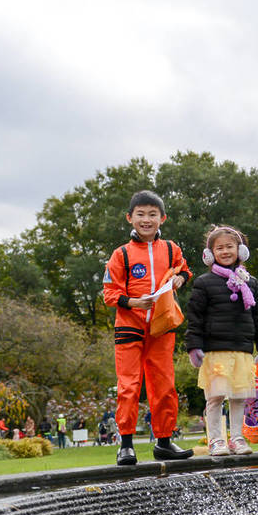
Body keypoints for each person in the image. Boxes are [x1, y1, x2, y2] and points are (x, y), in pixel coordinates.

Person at [102, 190, 194, 465]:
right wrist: (133, 302)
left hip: (162, 325)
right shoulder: (120, 255)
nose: (146, 220)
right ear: (130, 218)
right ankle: (126, 445)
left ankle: (164, 442)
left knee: (164, 385)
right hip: (129, 326)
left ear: (162, 218)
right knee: (129, 385)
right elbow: (109, 293)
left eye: (152, 214)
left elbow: (184, 270)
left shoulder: (170, 248)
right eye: (140, 214)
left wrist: (180, 279)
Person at [185, 225, 258, 456]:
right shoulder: (204, 283)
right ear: (210, 253)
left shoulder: (250, 283)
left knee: (239, 397)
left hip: (242, 350)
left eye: (229, 247)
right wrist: (194, 346)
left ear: (240, 250)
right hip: (215, 351)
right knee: (215, 397)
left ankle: (237, 438)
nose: (225, 251)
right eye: (219, 248)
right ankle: (216, 440)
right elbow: (195, 317)